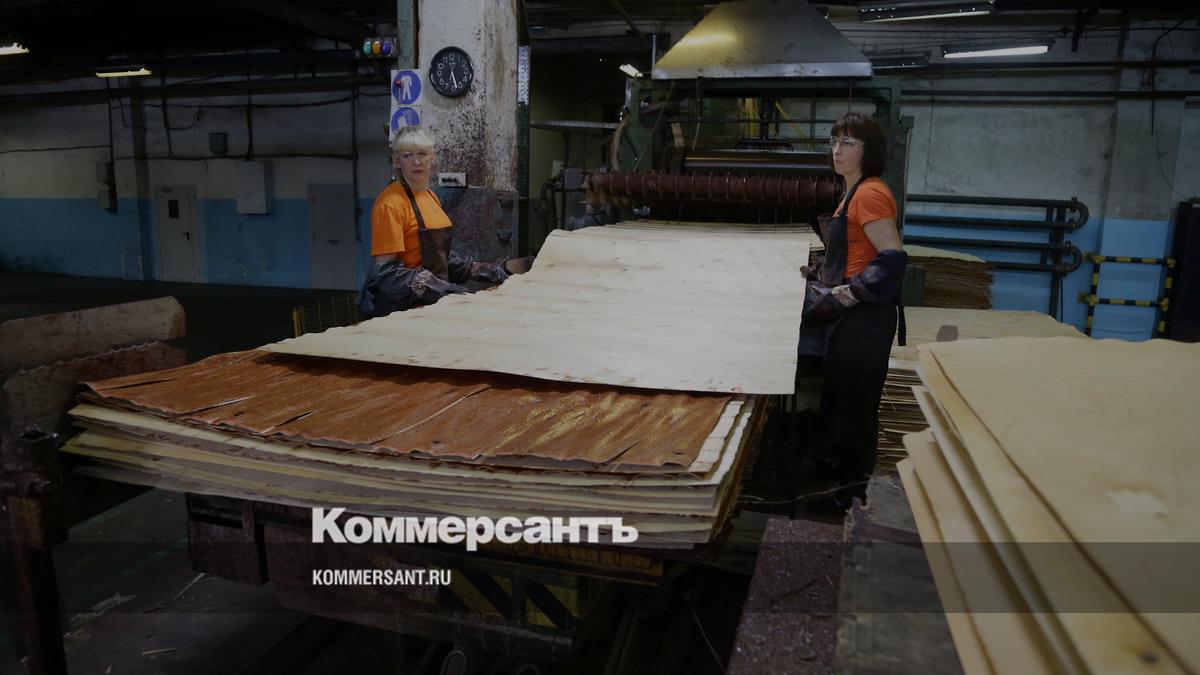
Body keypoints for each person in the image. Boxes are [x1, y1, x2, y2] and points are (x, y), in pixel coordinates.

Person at [800, 111, 907, 513]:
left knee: (855, 410)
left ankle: (851, 500)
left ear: (869, 150)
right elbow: (856, 251)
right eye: (834, 141)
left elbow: (892, 261)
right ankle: (839, 482)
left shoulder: (869, 194)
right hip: (855, 315)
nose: (837, 150)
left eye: (847, 143)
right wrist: (821, 272)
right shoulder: (851, 192)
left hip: (866, 318)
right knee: (843, 400)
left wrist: (847, 293)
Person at [358, 127, 532, 317]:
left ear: (432, 157)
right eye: (407, 155)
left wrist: (492, 270)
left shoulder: (430, 196)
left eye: (422, 154)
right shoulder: (390, 204)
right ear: (397, 161)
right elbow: (385, 272)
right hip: (400, 309)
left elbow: (439, 257)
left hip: (429, 305)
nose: (416, 162)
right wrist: (440, 289)